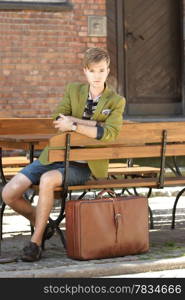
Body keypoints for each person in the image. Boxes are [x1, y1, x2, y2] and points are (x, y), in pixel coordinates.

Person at [2, 47, 126, 262]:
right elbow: (58, 119)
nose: (98, 76)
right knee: (9, 193)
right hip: (54, 156)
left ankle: (35, 242)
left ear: (108, 70)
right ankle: (46, 223)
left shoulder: (116, 101)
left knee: (48, 180)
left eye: (102, 70)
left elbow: (109, 133)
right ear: (85, 71)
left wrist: (76, 125)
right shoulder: (73, 90)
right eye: (93, 71)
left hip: (83, 165)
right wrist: (92, 124)